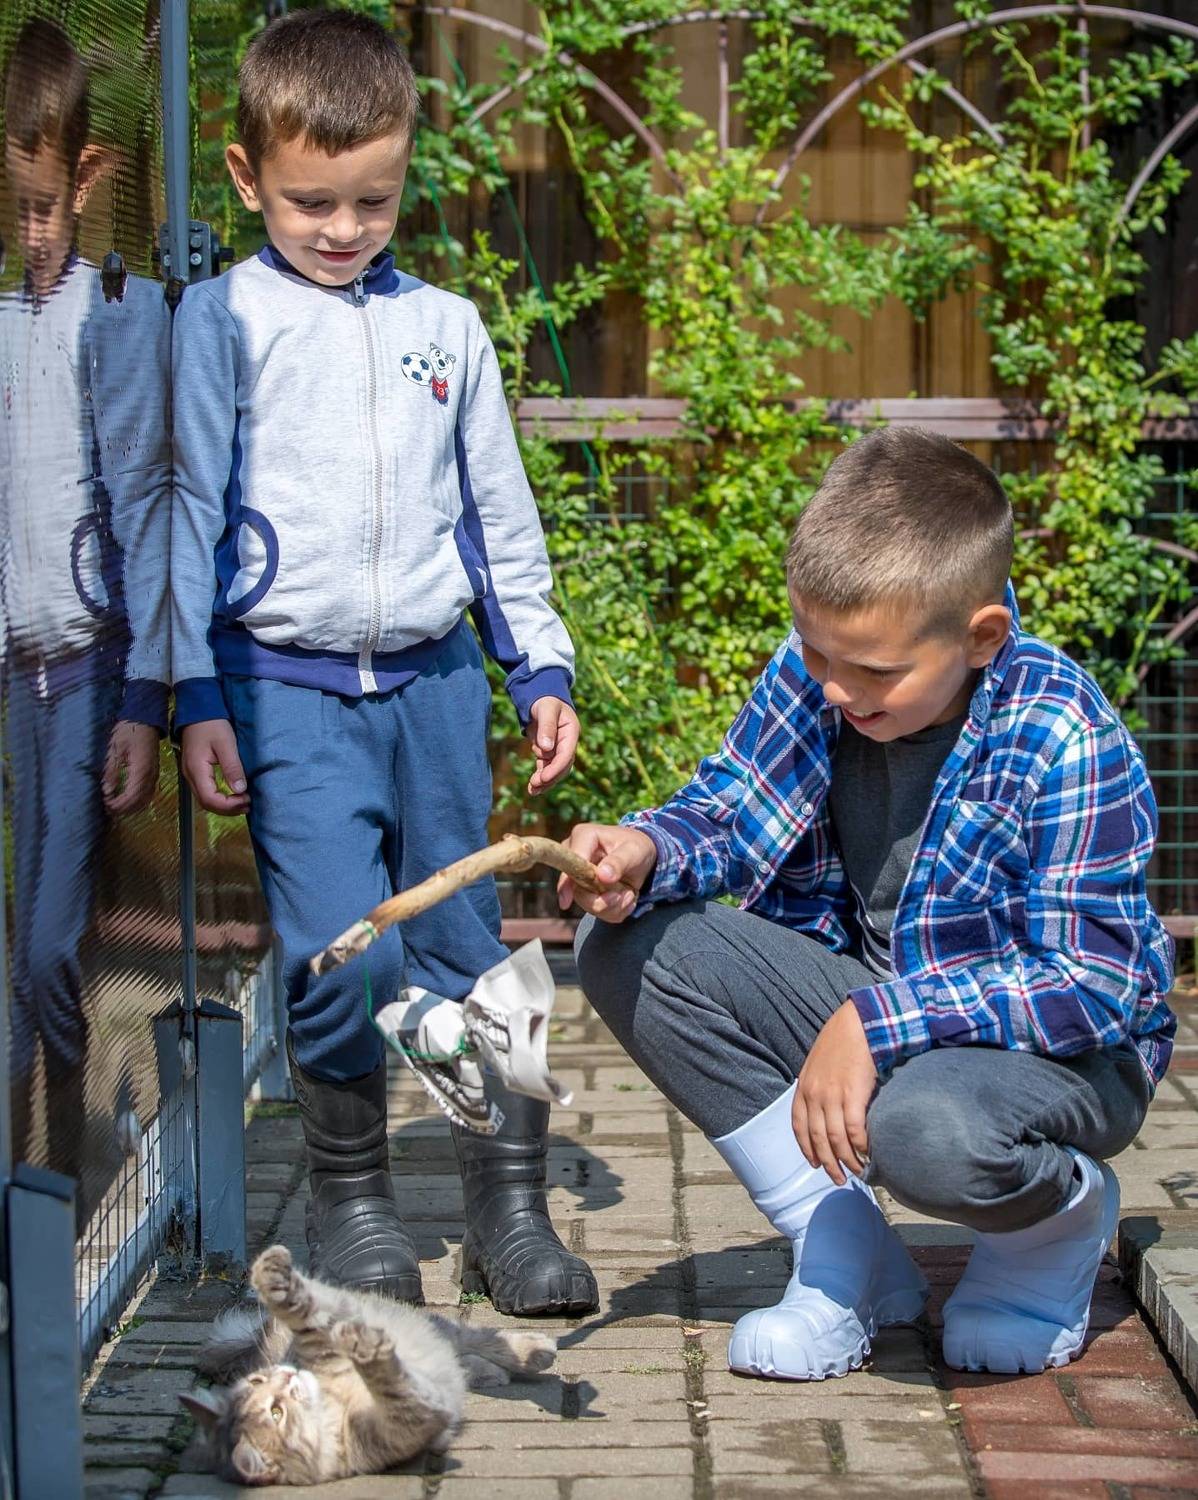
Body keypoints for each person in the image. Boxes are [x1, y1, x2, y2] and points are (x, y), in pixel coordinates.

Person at [563, 426, 1175, 1378]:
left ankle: (1054, 1224)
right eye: (817, 654)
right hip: (886, 1009)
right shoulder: (827, 666)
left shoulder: (1063, 732)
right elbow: (732, 809)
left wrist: (875, 1022)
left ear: (981, 637)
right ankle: (842, 1243)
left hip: (1062, 1057)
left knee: (923, 1132)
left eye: (877, 674)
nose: (838, 689)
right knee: (624, 946)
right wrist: (645, 850)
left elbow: (1090, 985)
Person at [170, 9, 597, 1316]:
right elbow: (184, 511)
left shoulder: (446, 329)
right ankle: (353, 1204)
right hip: (286, 698)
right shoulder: (219, 322)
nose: (345, 228)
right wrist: (188, 690)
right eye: (313, 202)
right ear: (247, 177)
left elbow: (495, 513)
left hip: (436, 689)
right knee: (343, 956)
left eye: (375, 199)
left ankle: (509, 1211)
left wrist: (538, 668)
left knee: (475, 949)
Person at [1, 17, 170, 1218]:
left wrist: (144, 688)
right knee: (23, 943)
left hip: (88, 665)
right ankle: (34, 1183)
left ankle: (60, 1154)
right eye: (14, 210)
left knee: (54, 943)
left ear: (89, 181)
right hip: (17, 671)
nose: (31, 235)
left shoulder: (110, 316)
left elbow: (146, 494)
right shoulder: (5, 323)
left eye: (46, 208)